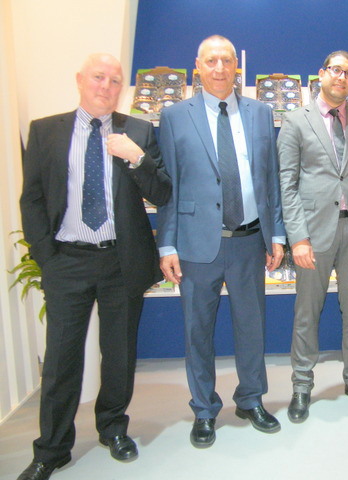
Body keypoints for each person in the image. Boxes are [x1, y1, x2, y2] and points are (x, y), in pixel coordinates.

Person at [18, 53, 172, 480]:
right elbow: (32, 199)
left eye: (115, 80)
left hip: (121, 261)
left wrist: (137, 158)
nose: (106, 86)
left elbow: (162, 193)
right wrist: (47, 258)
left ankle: (113, 428)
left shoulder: (138, 130)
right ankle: (52, 449)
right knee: (61, 358)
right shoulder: (46, 131)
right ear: (80, 80)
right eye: (99, 77)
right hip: (67, 261)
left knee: (119, 353)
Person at [156, 35, 285, 445]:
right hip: (196, 244)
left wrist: (276, 234)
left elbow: (270, 180)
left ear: (236, 67)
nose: (219, 68)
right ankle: (204, 409)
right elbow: (168, 187)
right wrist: (167, 244)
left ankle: (251, 399)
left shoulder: (261, 113)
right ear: (198, 66)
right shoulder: (174, 116)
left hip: (249, 240)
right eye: (211, 61)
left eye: (226, 61)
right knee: (198, 331)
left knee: (252, 327)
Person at [278, 50, 348, 422]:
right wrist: (298, 238)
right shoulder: (295, 120)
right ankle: (301, 386)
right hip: (313, 234)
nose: (342, 77)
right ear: (321, 73)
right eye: (336, 70)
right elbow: (287, 184)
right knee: (307, 314)